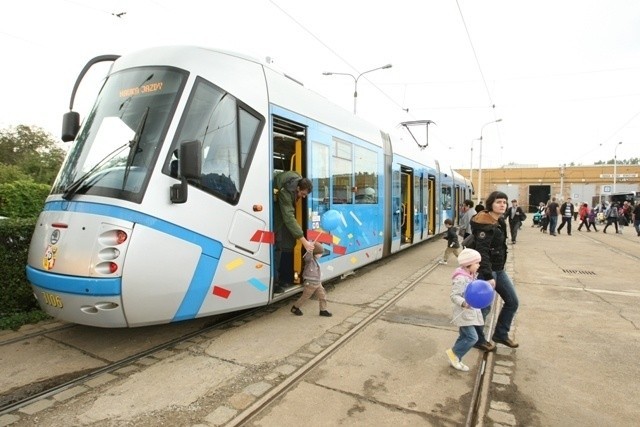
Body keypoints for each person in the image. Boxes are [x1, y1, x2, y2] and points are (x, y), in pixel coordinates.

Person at [471, 191, 520, 351]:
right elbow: (482, 252)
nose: (502, 205)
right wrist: (487, 275)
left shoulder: (499, 221)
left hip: (499, 269)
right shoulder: (485, 224)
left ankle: (500, 334)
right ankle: (478, 339)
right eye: (499, 202)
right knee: (484, 307)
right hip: (489, 271)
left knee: (512, 302)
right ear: (491, 204)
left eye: (504, 202)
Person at [273, 171, 315, 293]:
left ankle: (281, 278)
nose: (303, 197)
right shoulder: (286, 192)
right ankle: (275, 283)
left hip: (279, 219)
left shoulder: (296, 180)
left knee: (281, 246)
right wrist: (304, 241)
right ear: (297, 187)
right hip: (275, 219)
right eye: (302, 193)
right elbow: (288, 217)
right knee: (276, 247)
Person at [445, 248, 484, 372]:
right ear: (468, 265)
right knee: (472, 338)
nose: (479, 265)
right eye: (477, 263)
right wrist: (464, 303)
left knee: (464, 336)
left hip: (469, 313)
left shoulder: (471, 275)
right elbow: (454, 295)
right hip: (464, 313)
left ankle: (456, 358)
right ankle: (454, 355)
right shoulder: (462, 278)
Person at [290, 242, 332, 317]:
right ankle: (295, 308)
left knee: (323, 296)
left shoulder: (316, 260)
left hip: (317, 283)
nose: (321, 255)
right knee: (305, 297)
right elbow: (308, 257)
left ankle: (323, 310)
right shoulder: (310, 260)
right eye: (319, 253)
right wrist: (310, 250)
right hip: (310, 283)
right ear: (315, 253)